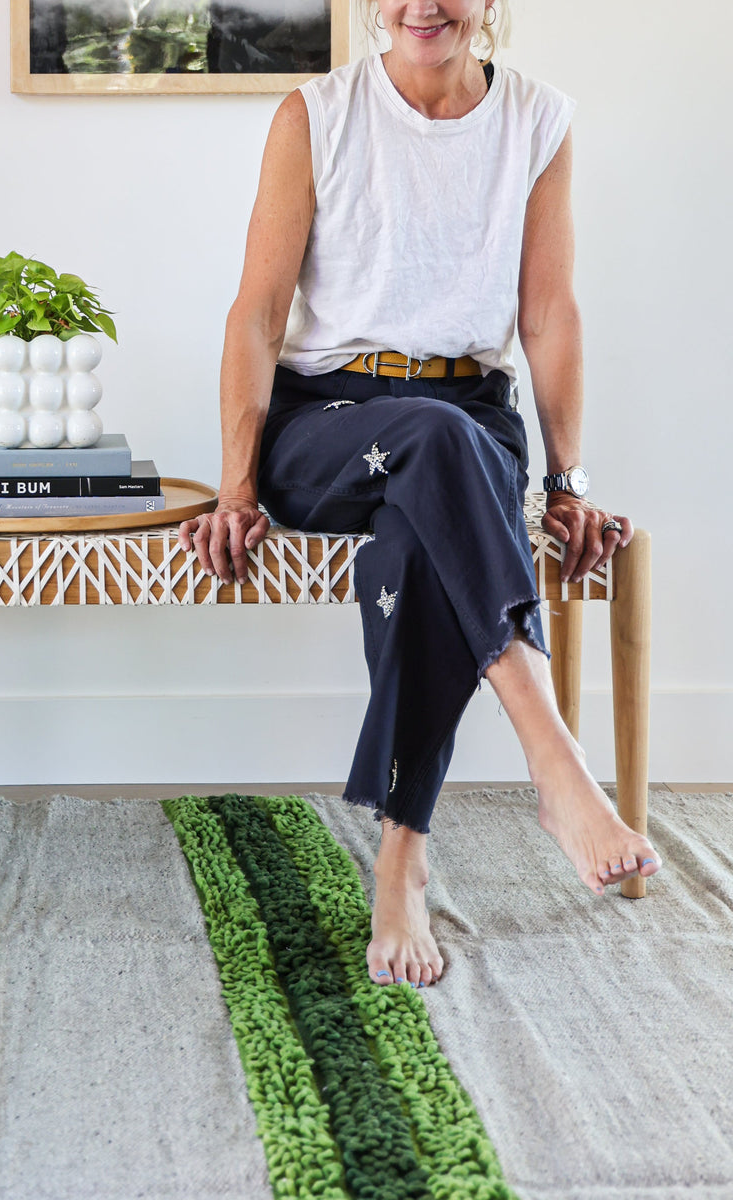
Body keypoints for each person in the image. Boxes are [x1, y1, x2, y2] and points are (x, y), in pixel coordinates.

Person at [177, 0, 660, 989]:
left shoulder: (537, 120)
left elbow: (547, 311)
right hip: (326, 430)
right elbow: (258, 312)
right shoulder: (315, 114)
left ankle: (403, 853)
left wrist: (567, 483)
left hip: (472, 426)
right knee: (432, 443)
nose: (422, 5)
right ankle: (551, 753)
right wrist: (234, 488)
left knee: (413, 545)